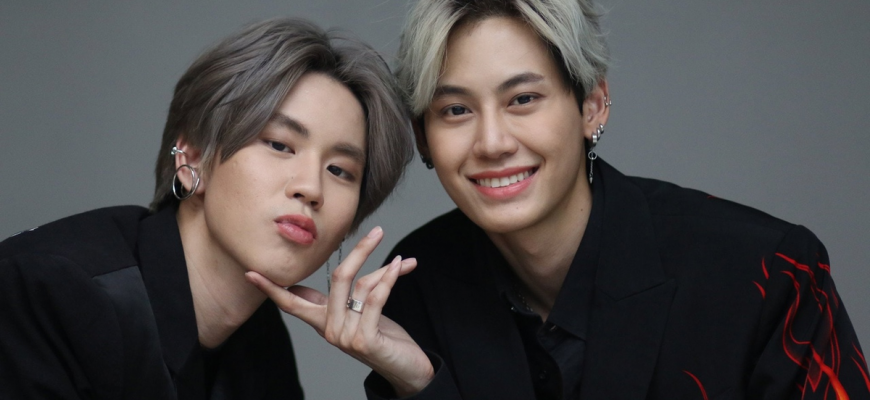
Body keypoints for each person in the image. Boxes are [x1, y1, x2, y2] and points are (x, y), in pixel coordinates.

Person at [249, 0, 870, 399]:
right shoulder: (416, 289)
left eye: (523, 99)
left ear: (592, 105)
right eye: (456, 110)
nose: (492, 142)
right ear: (423, 138)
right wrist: (421, 382)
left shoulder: (765, 272)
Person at [0, 17, 414, 399]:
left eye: (340, 170)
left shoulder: (259, 347)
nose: (311, 188)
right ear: (192, 157)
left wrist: (415, 381)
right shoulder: (50, 291)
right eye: (279, 145)